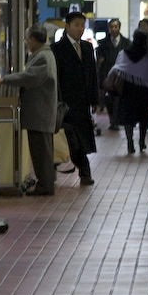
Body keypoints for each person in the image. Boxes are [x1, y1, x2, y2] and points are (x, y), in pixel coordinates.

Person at [0, 24, 58, 196]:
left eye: (27, 39)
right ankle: (45, 183)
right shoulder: (42, 54)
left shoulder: (43, 57)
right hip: (39, 112)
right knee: (40, 150)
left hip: (40, 112)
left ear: (35, 40)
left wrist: (5, 80)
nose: (26, 42)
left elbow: (30, 78)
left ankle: (45, 186)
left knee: (41, 151)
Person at [51, 11, 99, 186]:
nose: (80, 29)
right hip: (65, 103)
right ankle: (82, 171)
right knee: (70, 137)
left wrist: (94, 100)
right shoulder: (57, 49)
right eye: (76, 25)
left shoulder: (87, 48)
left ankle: (83, 172)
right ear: (67, 26)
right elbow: (55, 78)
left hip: (83, 102)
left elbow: (93, 75)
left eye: (82, 25)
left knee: (80, 137)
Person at [109, 29, 148, 155]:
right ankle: (142, 142)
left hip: (128, 89)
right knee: (143, 118)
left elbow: (118, 67)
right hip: (144, 91)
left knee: (128, 118)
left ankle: (130, 142)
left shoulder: (124, 53)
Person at [96, 18, 130, 131]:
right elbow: (99, 60)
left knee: (118, 99)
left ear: (119, 27)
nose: (113, 29)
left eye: (116, 26)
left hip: (122, 75)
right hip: (107, 75)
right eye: (111, 27)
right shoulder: (102, 44)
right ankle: (113, 119)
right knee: (109, 99)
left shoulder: (126, 43)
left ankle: (115, 121)